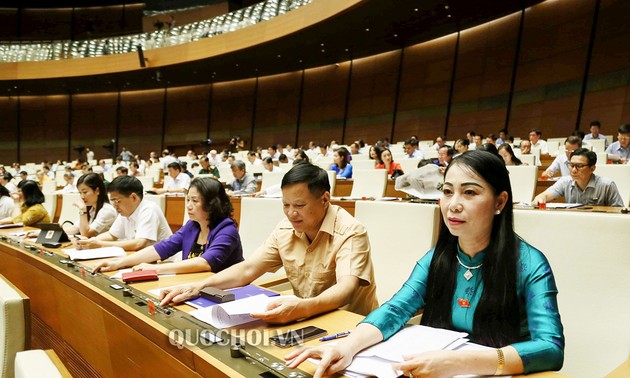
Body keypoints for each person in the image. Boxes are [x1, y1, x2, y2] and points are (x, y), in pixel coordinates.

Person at [286, 151, 564, 377]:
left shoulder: (529, 263)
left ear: (500, 201)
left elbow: (551, 348)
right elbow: (397, 308)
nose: (453, 204)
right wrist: (346, 347)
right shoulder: (439, 258)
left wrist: (461, 362)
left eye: (469, 193)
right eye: (447, 191)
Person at [159, 163, 378, 323]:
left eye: (299, 205)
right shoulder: (285, 229)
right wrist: (199, 287)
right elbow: (249, 268)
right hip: (303, 318)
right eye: (286, 205)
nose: (291, 213)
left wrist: (302, 308)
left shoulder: (350, 231)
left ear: (325, 199)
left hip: (351, 325)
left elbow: (346, 289)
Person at [94, 178, 243, 275]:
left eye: (195, 201)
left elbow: (205, 262)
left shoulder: (227, 230)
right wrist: (117, 263)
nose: (188, 206)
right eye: (188, 200)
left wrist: (155, 269)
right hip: (193, 284)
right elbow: (161, 248)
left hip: (224, 292)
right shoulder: (192, 226)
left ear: (212, 204)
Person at [74, 176, 172, 251]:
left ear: (133, 197)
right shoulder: (125, 211)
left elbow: (139, 243)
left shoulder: (148, 209)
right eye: (112, 201)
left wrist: (99, 244)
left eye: (117, 201)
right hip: (144, 260)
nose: (115, 205)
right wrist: (88, 242)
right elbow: (111, 235)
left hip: (165, 264)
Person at [533, 148, 624, 207]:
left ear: (592, 168)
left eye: (579, 166)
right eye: (571, 165)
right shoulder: (565, 181)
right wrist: (540, 199)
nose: (573, 170)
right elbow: (544, 195)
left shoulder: (606, 185)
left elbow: (619, 212)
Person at [63, 173, 117, 237]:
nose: (82, 196)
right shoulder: (91, 208)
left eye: (85, 192)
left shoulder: (107, 210)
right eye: (80, 193)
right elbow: (76, 228)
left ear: (97, 191)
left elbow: (86, 234)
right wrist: (57, 232)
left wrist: (83, 210)